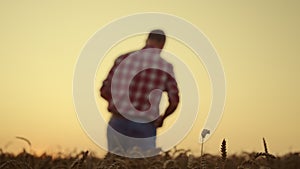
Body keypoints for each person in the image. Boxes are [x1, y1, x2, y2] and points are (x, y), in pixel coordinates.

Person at [100, 29, 179, 154]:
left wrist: (116, 103)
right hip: (145, 126)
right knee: (142, 165)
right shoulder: (165, 67)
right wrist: (162, 118)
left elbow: (104, 90)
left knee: (115, 164)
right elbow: (174, 101)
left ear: (147, 40)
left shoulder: (122, 59)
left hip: (118, 122)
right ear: (163, 44)